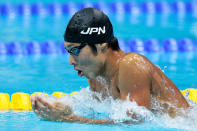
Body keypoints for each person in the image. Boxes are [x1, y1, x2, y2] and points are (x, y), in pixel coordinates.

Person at [31, 8, 189, 124]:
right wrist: (62, 108)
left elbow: (137, 125)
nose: (71, 61)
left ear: (100, 45)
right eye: (68, 52)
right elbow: (103, 116)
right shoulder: (96, 76)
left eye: (75, 50)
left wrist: (67, 119)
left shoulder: (131, 65)